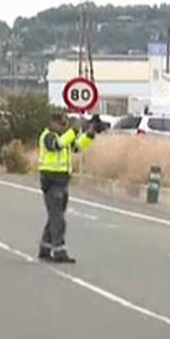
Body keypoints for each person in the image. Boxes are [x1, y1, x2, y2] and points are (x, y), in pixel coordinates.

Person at [38, 111, 102, 263]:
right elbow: (57, 146)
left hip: (62, 180)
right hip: (51, 180)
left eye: (65, 124)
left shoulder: (64, 136)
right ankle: (59, 250)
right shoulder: (48, 136)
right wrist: (73, 130)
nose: (63, 126)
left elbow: (77, 147)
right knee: (58, 219)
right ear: (52, 123)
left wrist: (89, 134)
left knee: (55, 216)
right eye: (61, 123)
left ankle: (45, 247)